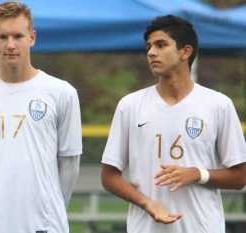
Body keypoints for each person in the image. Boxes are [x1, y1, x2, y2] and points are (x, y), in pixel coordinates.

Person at [101, 15, 246, 233]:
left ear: (185, 52)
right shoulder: (130, 105)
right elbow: (109, 176)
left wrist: (198, 173)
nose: (151, 52)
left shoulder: (218, 105)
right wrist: (147, 203)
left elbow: (240, 177)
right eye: (149, 46)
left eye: (161, 45)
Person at [0, 2, 83, 233]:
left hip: (45, 225)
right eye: (3, 36)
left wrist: (51, 206)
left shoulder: (61, 92)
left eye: (18, 36)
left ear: (32, 38)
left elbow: (70, 163)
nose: (11, 45)